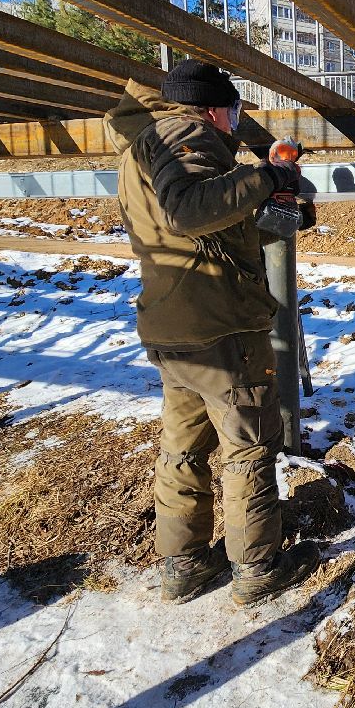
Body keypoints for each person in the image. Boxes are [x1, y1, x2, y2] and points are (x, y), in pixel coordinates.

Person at [105, 59, 319, 605]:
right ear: (212, 108)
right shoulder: (189, 133)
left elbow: (198, 224)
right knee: (247, 451)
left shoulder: (144, 144)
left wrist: (267, 194)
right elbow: (189, 212)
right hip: (221, 331)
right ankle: (257, 573)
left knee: (184, 448)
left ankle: (183, 566)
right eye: (234, 111)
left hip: (173, 326)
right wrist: (268, 176)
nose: (235, 122)